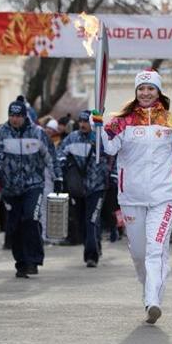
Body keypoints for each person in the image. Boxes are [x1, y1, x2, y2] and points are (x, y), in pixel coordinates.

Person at [95, 68, 172, 325]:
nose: (145, 93)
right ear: (136, 92)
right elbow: (109, 148)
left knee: (155, 249)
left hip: (164, 195)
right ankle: (149, 290)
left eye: (150, 88)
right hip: (131, 197)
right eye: (141, 89)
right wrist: (98, 126)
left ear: (158, 91)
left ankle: (153, 300)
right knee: (139, 254)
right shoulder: (122, 121)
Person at [0, 96, 62, 278]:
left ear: (24, 116)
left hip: (34, 185)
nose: (14, 119)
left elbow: (51, 157)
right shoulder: (1, 133)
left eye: (18, 116)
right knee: (14, 226)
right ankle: (21, 263)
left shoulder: (38, 133)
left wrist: (58, 178)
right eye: (11, 116)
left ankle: (33, 259)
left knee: (31, 218)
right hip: (10, 188)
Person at [58, 110, 112, 266]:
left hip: (97, 186)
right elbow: (59, 153)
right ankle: (95, 244)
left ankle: (91, 256)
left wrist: (113, 176)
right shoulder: (72, 138)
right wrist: (63, 163)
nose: (82, 124)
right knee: (82, 221)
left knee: (92, 220)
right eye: (80, 121)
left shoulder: (100, 138)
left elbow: (113, 157)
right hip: (78, 188)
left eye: (86, 122)